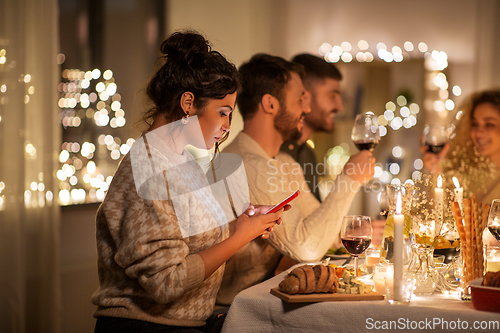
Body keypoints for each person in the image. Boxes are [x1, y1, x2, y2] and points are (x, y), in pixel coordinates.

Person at [91, 32, 287, 333]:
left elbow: (187, 243)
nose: (226, 126)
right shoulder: (149, 167)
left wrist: (241, 225)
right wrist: (239, 238)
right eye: (223, 112)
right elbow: (166, 282)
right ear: (188, 103)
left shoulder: (181, 162)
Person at [216, 54, 375, 305]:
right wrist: (349, 179)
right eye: (300, 98)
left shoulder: (284, 162)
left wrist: (359, 229)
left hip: (273, 297)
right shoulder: (244, 164)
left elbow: (323, 229)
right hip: (235, 312)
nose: (307, 108)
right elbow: (307, 248)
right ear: (270, 104)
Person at [421, 89, 500, 245]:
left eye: (489, 124)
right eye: (475, 124)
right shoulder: (464, 170)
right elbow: (436, 224)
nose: (479, 131)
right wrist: (436, 170)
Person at [280, 53, 344, 201]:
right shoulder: (279, 155)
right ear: (305, 97)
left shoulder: (307, 153)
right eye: (332, 96)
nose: (340, 106)